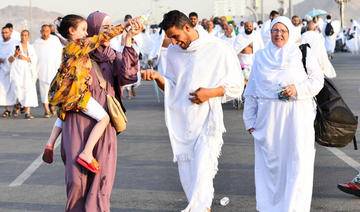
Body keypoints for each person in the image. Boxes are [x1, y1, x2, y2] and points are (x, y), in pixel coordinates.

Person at [141, 10, 244, 212]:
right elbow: (172, 86)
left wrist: (211, 93)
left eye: (175, 36)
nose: (173, 42)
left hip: (207, 123)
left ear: (187, 27)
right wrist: (157, 77)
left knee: (202, 177)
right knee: (189, 180)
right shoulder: (172, 52)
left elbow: (237, 85)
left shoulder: (217, 48)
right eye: (169, 38)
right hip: (182, 125)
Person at [47, 11, 141, 211]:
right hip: (76, 123)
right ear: (92, 31)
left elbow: (129, 75)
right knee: (76, 180)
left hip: (103, 128)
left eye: (110, 28)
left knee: (101, 180)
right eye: (103, 29)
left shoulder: (113, 57)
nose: (108, 33)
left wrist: (129, 41)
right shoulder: (79, 53)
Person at [243, 16, 324, 212]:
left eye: (283, 31)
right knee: (271, 168)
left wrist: (297, 89)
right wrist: (250, 121)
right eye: (275, 30)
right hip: (268, 121)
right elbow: (251, 91)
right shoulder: (261, 56)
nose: (278, 34)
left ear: (290, 33)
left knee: (298, 164)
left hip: (297, 119)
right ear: (269, 32)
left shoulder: (301, 53)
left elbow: (317, 81)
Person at [33, 24, 63, 117]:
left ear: (50, 31)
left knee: (55, 90)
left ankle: (52, 106)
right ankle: (47, 111)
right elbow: (33, 57)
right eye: (43, 31)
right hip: (41, 70)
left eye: (47, 31)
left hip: (54, 70)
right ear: (41, 32)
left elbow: (60, 54)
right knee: (44, 90)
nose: (45, 33)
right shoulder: (36, 42)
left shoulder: (55, 40)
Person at [8, 30, 38, 119]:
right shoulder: (15, 46)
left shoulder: (31, 47)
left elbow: (34, 59)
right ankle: (18, 104)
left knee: (29, 91)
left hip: (28, 72)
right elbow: (9, 60)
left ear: (28, 37)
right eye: (22, 35)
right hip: (17, 72)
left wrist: (25, 58)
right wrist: (15, 54)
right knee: (18, 90)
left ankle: (27, 112)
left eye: (25, 35)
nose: (23, 37)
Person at [0, 26, 17, 117]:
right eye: (3, 32)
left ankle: (16, 107)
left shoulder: (14, 43)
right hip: (2, 70)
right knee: (3, 89)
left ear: (10, 33)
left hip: (13, 69)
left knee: (14, 89)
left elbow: (16, 54)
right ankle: (7, 109)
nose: (4, 34)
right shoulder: (0, 42)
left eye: (6, 32)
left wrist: (7, 60)